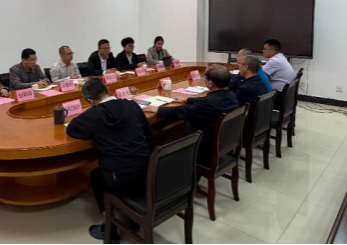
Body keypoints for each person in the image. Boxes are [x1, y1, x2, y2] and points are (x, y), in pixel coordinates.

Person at [67, 79, 153, 243]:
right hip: (146, 170)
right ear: (107, 91)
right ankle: (133, 220)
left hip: (119, 178)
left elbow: (72, 129)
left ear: (90, 101)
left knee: (96, 176)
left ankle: (110, 228)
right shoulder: (131, 105)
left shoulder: (93, 114)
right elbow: (149, 135)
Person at [144, 64, 238, 168]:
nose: (203, 79)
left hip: (201, 147)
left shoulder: (208, 103)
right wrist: (187, 99)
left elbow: (181, 111)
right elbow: (209, 100)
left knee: (154, 146)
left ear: (210, 83)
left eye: (204, 77)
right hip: (222, 142)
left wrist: (158, 109)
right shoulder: (231, 96)